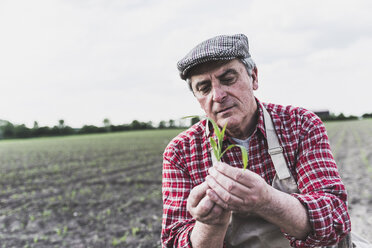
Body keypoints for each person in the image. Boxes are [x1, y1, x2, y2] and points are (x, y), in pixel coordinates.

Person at [161, 34, 351, 248]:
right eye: (204, 87)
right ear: (197, 98)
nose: (218, 95)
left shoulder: (299, 124)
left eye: (228, 79)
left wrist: (267, 200)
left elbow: (335, 218)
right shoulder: (181, 152)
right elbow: (173, 240)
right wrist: (211, 224)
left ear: (254, 77)